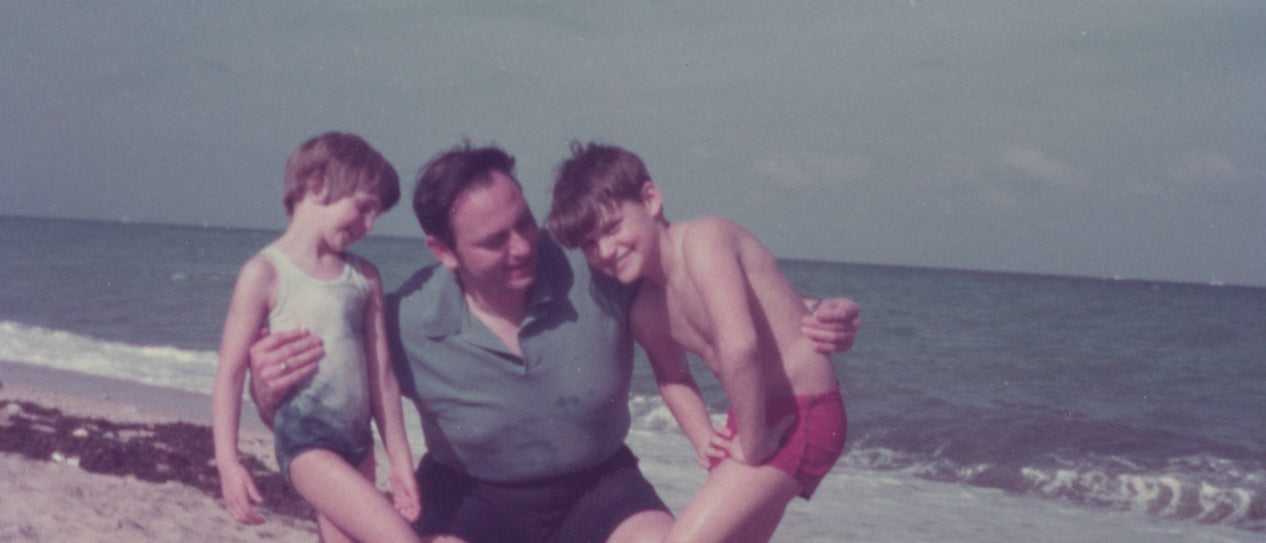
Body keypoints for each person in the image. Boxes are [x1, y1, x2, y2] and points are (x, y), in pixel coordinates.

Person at [246, 142, 861, 543]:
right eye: (493, 241)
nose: (522, 248)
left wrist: (813, 312)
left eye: (524, 223)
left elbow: (691, 287)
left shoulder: (594, 271)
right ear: (444, 252)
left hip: (601, 488)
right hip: (474, 499)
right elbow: (323, 409)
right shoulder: (402, 316)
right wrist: (268, 392)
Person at [546, 141, 848, 543]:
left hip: (803, 412)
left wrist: (753, 445)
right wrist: (704, 438)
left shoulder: (705, 241)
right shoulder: (646, 309)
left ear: (650, 199)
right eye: (589, 244)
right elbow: (673, 379)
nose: (604, 250)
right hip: (753, 420)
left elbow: (740, 345)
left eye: (613, 227)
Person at [211, 132, 422, 543]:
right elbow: (230, 374)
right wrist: (228, 463)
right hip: (307, 444)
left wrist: (400, 462)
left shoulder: (364, 277)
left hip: (359, 445)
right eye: (363, 208)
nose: (370, 225)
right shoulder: (265, 273)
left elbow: (383, 377)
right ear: (317, 185)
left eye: (376, 215)